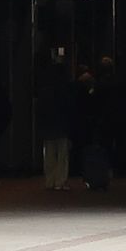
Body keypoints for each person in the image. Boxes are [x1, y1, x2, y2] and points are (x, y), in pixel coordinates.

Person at [35, 62, 73, 191]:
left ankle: (49, 180)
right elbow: (68, 108)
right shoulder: (65, 89)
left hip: (47, 126)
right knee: (62, 154)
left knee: (49, 155)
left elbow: (39, 110)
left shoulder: (44, 91)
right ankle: (60, 181)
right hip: (61, 125)